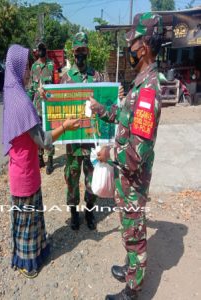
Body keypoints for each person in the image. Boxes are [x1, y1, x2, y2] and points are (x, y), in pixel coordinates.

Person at [90, 12, 163, 300]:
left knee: (135, 234)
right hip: (126, 179)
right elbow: (123, 117)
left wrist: (108, 153)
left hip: (133, 179)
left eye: (132, 44)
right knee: (128, 230)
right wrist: (101, 109)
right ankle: (131, 267)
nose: (129, 50)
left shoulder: (148, 91)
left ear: (143, 46)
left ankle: (132, 291)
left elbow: (136, 155)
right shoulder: (140, 83)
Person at [2, 44, 80, 279]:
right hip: (26, 173)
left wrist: (42, 95)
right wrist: (64, 127)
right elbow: (44, 141)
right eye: (26, 67)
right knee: (28, 221)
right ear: (18, 67)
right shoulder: (22, 103)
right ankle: (28, 264)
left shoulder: (11, 92)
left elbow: (28, 122)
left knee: (25, 218)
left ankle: (26, 255)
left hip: (18, 169)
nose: (29, 72)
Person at [60, 32, 103, 231]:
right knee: (72, 178)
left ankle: (90, 211)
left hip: (92, 140)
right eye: (77, 50)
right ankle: (73, 213)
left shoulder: (98, 77)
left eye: (83, 50)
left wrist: (118, 94)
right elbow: (55, 106)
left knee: (92, 179)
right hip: (73, 142)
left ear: (88, 51)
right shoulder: (66, 78)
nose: (80, 54)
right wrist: (45, 94)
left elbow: (107, 103)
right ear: (73, 52)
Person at [28, 41, 55, 175]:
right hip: (37, 106)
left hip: (49, 105)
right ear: (37, 51)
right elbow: (31, 87)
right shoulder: (34, 67)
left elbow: (56, 86)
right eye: (39, 49)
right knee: (38, 132)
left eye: (43, 48)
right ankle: (40, 157)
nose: (41, 50)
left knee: (49, 132)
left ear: (46, 49)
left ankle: (50, 159)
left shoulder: (51, 65)